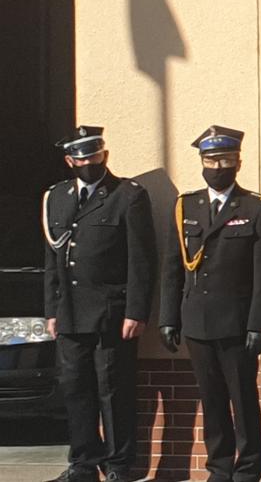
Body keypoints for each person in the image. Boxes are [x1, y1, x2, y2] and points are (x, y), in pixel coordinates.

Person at [158, 126, 261, 482]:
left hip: (238, 324)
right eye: (211, 160)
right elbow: (172, 269)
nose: (217, 166)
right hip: (196, 322)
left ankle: (248, 469)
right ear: (201, 163)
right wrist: (169, 318)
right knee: (212, 402)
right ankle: (219, 468)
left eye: (225, 159)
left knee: (242, 400)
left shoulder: (256, 208)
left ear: (238, 163)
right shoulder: (186, 206)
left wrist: (260, 324)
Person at [40, 126, 156, 482]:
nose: (89, 163)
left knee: (113, 392)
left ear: (104, 155)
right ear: (69, 160)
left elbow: (141, 259)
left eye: (94, 155)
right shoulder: (56, 197)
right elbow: (53, 259)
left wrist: (136, 310)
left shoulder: (127, 195)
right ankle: (83, 463)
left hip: (110, 312)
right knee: (75, 389)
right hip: (70, 313)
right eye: (81, 157)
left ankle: (119, 465)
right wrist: (51, 310)